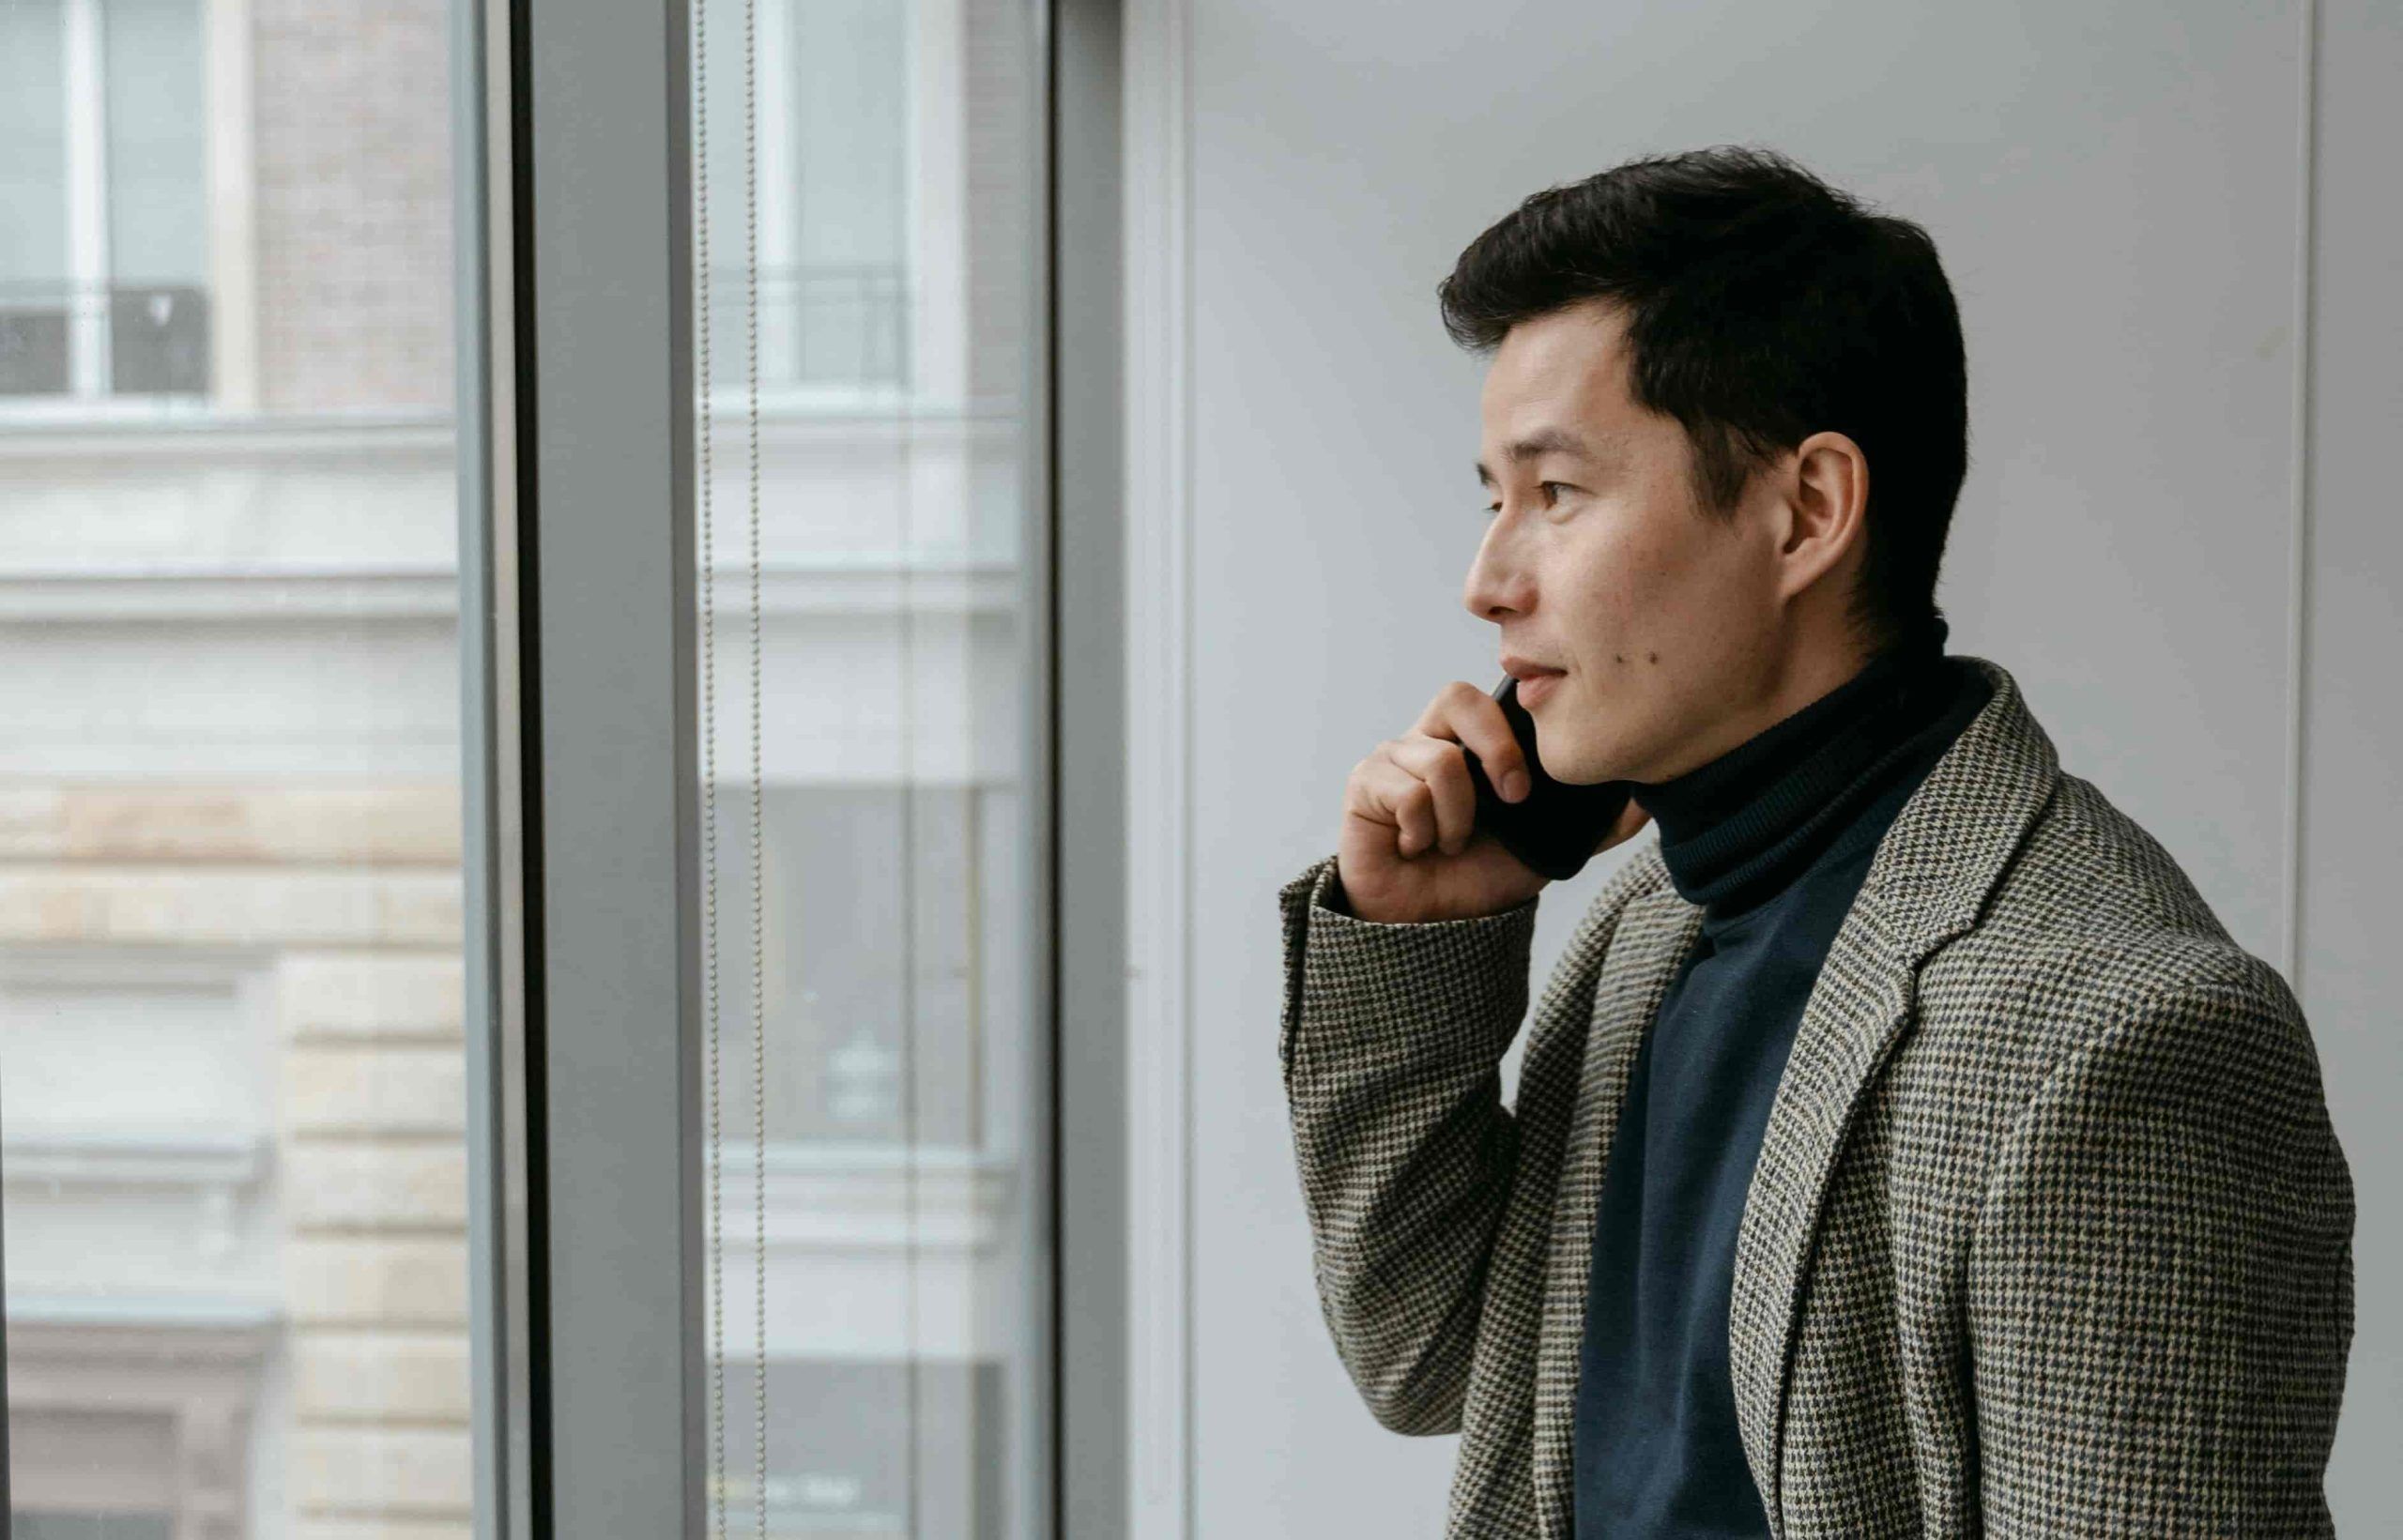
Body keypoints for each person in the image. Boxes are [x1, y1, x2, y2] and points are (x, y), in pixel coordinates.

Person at [1275, 145, 2355, 1538]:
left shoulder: (2121, 1038)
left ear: (1810, 511)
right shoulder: (1652, 918)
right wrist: (1423, 943)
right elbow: (1427, 1363)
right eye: (1493, 496)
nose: (1489, 581)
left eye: (1556, 494)